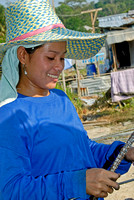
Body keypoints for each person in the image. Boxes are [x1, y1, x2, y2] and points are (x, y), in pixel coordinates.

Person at [0, 0, 134, 200]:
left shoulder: (61, 99)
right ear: (22, 55)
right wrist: (77, 182)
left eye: (62, 58)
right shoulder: (9, 116)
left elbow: (83, 150)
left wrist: (124, 153)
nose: (59, 66)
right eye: (51, 58)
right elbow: (10, 191)